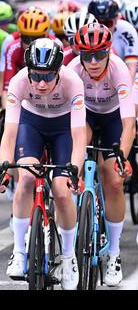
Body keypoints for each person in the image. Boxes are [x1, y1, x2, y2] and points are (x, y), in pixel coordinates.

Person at [0, 38, 86, 290]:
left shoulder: (73, 82)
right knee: (26, 179)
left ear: (58, 71)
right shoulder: (20, 81)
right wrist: (4, 167)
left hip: (64, 128)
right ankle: (19, 252)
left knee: (62, 191)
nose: (41, 83)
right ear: (28, 71)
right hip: (31, 124)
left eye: (48, 76)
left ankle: (68, 257)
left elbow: (79, 136)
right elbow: (10, 131)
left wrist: (74, 170)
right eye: (36, 76)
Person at [68, 23, 136, 287]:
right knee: (78, 146)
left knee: (114, 181)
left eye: (99, 55)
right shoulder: (73, 70)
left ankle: (114, 254)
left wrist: (122, 157)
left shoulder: (119, 70)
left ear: (109, 52)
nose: (93, 62)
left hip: (112, 119)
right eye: (86, 56)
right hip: (84, 116)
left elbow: (129, 123)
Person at [88, 0, 138, 82]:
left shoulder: (127, 30)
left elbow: (131, 68)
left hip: (122, 75)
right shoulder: (85, 31)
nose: (103, 28)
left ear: (117, 19)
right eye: (98, 23)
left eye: (108, 23)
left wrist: (127, 92)